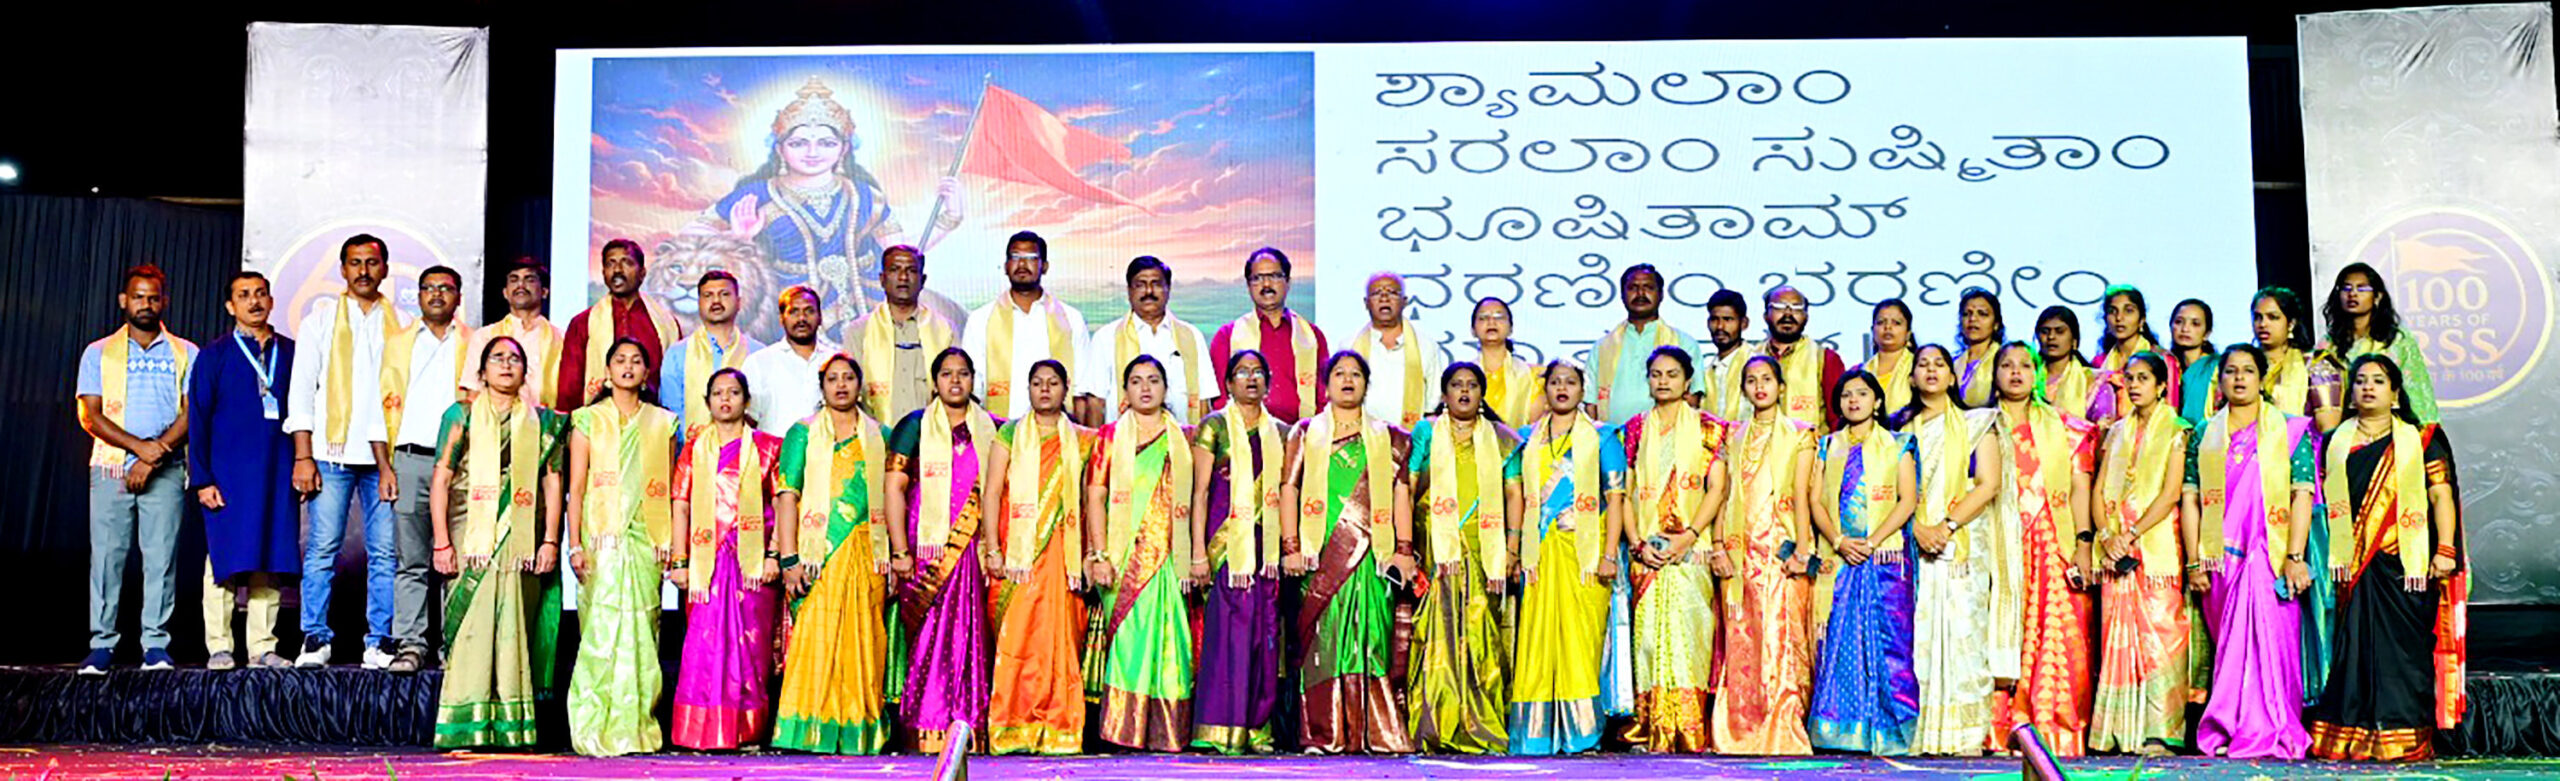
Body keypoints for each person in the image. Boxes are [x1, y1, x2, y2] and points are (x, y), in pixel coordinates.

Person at [692, 76, 963, 326]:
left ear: (843, 148)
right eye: (798, 143)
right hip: (787, 309)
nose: (813, 152)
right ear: (780, 149)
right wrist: (736, 238)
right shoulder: (758, 194)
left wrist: (949, 218)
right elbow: (691, 234)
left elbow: (900, 252)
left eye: (826, 143)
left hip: (862, 305)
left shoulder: (865, 195)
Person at [2306, 355, 2467, 761]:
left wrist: (2445, 549)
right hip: (2352, 565)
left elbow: (2440, 495)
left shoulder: (2423, 439)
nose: (2368, 387)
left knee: (2402, 654)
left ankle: (2402, 734)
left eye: (2378, 381)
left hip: (2405, 565)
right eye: (2360, 380)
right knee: (2354, 653)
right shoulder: (2335, 443)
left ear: (2395, 393)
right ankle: (2351, 735)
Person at [426, 336, 568, 749]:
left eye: (515, 359)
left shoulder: (543, 422)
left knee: (513, 622)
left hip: (522, 536)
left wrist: (550, 541)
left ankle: (510, 726)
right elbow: (442, 478)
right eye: (497, 358)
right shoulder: (461, 414)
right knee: (473, 620)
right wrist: (441, 542)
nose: (506, 365)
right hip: (468, 530)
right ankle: (464, 723)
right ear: (482, 371)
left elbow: (552, 483)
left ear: (525, 371)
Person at [1280, 351, 1418, 754]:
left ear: (1366, 385)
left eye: (1356, 374)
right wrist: (1291, 546)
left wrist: (1404, 551)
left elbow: (1401, 494)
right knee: (1322, 646)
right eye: (1339, 373)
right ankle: (1325, 733)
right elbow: (1289, 488)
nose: (1347, 380)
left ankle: (1375, 732)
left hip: (1374, 555)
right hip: (1319, 554)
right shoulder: (1305, 432)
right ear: (1326, 385)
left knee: (1372, 640)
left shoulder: (1391, 439)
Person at [2184, 345, 2318, 759]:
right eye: (2230, 371)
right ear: (2220, 380)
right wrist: (2194, 561)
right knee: (2232, 650)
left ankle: (2273, 728)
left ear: (2262, 379)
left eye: (2247, 371)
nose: (2239, 378)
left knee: (2271, 647)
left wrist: (2294, 556)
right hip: (2220, 561)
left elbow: (2301, 496)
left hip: (2270, 557)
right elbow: (2190, 499)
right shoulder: (2204, 434)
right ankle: (2230, 726)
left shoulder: (2290, 430)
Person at [284, 235, 402, 668]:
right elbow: (301, 391)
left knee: (385, 553)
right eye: (355, 263)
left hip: (384, 458)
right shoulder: (320, 321)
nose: (363, 271)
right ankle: (315, 637)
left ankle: (380, 640)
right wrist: (303, 456)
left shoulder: (403, 325)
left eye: (372, 262)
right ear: (343, 269)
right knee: (322, 549)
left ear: (385, 268)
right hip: (330, 452)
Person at [773, 352, 899, 755]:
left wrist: (897, 555)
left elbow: (893, 499)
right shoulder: (802, 433)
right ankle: (807, 730)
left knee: (864, 640)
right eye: (833, 379)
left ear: (860, 386)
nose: (841, 385)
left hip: (867, 552)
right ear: (822, 387)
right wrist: (788, 558)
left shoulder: (881, 436)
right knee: (816, 638)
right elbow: (787, 496)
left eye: (848, 378)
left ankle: (858, 728)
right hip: (817, 555)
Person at [77, 264, 197, 675]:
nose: (146, 304)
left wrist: (153, 454)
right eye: (138, 296)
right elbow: (91, 416)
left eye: (153, 297)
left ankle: (155, 645)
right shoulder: (97, 352)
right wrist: (137, 450)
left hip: (165, 468)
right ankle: (102, 645)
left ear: (164, 302)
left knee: (160, 559)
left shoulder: (186, 352)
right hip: (110, 468)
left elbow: (191, 414)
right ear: (123, 301)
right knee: (107, 558)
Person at [1506, 360, 1627, 756]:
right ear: (1545, 391)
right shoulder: (1526, 439)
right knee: (1536, 642)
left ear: (1582, 390)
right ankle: (1535, 735)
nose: (1562, 388)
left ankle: (1583, 733)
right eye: (1555, 382)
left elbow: (1616, 499)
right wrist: (1513, 550)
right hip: (1539, 553)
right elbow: (1517, 498)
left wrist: (1609, 554)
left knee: (1581, 643)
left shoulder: (1604, 438)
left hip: (1585, 554)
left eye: (1570, 382)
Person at [1082, 356, 1203, 752]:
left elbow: (1199, 500)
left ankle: (1167, 732)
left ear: (1166, 389)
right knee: (1130, 644)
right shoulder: (1109, 437)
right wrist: (1099, 555)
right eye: (1136, 381)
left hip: (1170, 559)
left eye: (1153, 380)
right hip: (1122, 560)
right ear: (1125, 390)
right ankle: (1124, 730)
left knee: (1172, 643)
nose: (1145, 388)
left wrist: (1196, 555)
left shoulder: (1185, 438)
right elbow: (1095, 496)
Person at [563, 338, 677, 756]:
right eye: (620, 360)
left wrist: (671, 543)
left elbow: (668, 487)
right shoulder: (587, 420)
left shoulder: (663, 423)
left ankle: (637, 726)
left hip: (646, 540)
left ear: (646, 374)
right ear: (607, 371)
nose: (628, 367)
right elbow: (577, 488)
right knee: (600, 629)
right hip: (601, 541)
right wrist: (574, 545)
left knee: (644, 630)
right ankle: (592, 724)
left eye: (636, 361)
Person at [887, 348, 1003, 754]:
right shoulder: (913, 426)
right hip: (926, 552)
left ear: (974, 380)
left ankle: (969, 725)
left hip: (974, 551)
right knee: (927, 639)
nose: (955, 381)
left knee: (972, 638)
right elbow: (894, 487)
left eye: (963, 373)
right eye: (947, 374)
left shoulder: (994, 429)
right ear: (934, 382)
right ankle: (925, 725)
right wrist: (899, 550)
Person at [1986, 341, 2099, 756]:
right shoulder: (1978, 426)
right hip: (1998, 542)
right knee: (2000, 628)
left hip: (2053, 541)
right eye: (2007, 365)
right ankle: (2000, 728)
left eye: (2024, 365)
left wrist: (2083, 543)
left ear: (2036, 374)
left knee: (2058, 635)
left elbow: (2080, 488)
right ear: (1994, 375)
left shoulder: (2065, 428)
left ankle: (2054, 727)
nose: (2016, 372)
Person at [1405, 362, 1524, 754]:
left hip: (1484, 550)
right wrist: (1405, 546)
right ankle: (1434, 724)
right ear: (1444, 394)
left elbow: (1513, 494)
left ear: (1482, 394)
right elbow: (1408, 487)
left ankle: (1480, 723)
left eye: (1472, 385)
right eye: (1456, 385)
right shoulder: (1425, 432)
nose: (1464, 391)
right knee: (1434, 635)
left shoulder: (1502, 440)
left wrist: (1511, 548)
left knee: (1480, 636)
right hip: (1435, 550)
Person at [667, 368, 786, 749]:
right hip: (707, 563)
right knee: (704, 646)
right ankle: (698, 731)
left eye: (733, 392)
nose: (725, 399)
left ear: (746, 401)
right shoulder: (694, 449)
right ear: (707, 402)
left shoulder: (769, 448)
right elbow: (681, 505)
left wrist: (774, 555)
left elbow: (782, 504)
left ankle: (746, 730)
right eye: (718, 393)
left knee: (750, 647)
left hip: (752, 564)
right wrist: (680, 560)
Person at [983, 359, 1095, 755]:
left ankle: (1060, 728)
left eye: (1052, 383)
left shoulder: (1084, 440)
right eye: (1037, 383)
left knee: (1059, 642)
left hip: (1063, 556)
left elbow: (1090, 502)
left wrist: (1090, 555)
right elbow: (992, 492)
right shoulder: (1010, 434)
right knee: (1016, 640)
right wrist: (992, 549)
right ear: (1028, 388)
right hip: (1017, 554)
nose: (1045, 389)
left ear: (1066, 389)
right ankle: (1012, 726)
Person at [1620, 348, 1728, 754]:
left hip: (1691, 551)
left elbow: (1717, 489)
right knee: (1648, 642)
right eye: (1656, 374)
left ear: (1687, 381)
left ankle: (1689, 729)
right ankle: (1650, 728)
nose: (1663, 381)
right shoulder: (1634, 429)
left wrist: (1690, 534)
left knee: (1690, 640)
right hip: (1647, 552)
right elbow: (1624, 491)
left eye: (1672, 374)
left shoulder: (1710, 429)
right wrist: (1636, 543)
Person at [189, 271, 298, 671]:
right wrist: (202, 478)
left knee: (269, 557)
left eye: (261, 294)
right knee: (223, 559)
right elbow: (197, 419)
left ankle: (262, 647)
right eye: (244, 295)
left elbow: (306, 412)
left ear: (271, 301)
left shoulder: (291, 353)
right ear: (230, 305)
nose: (254, 301)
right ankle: (219, 645)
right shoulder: (214, 355)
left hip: (277, 473)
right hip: (228, 477)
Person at [1809, 371, 1922, 755]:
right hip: (1840, 559)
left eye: (1862, 393)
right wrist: (1839, 541)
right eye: (1846, 395)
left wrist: (1872, 542)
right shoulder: (1827, 446)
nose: (1853, 400)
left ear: (1877, 401)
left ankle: (1892, 732)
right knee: (1840, 642)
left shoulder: (1898, 444)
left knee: (1890, 644)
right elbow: (1815, 501)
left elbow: (1907, 501)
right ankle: (1840, 730)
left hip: (1885, 560)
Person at [1710, 355, 1818, 755]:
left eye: (1767, 379)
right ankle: (1742, 731)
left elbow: (1803, 495)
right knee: (1742, 642)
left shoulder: (1801, 434)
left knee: (1780, 639)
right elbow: (1722, 495)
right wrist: (1717, 544)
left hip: (1779, 549)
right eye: (1752, 380)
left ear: (1781, 387)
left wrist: (1803, 548)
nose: (1760, 387)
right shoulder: (1732, 437)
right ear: (1743, 389)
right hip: (1740, 554)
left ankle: (1782, 728)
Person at [2087, 352, 2193, 756]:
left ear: (2162, 386)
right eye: (2129, 378)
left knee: (2163, 633)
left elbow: (2170, 494)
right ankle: (2117, 731)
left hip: (2155, 545)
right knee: (2117, 635)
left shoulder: (2178, 431)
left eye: (2144, 378)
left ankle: (2161, 732)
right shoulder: (2116, 432)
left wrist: (2131, 534)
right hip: (2116, 549)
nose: (2134, 386)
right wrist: (2107, 535)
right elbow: (2099, 489)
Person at [1902, 344, 2004, 755]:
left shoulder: (1978, 423)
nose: (1931, 370)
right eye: (1922, 365)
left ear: (1952, 376)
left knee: (1964, 634)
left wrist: (1945, 527)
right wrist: (1917, 529)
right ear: (1911, 378)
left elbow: (1989, 484)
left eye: (1939, 364)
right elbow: (1889, 489)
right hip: (1913, 543)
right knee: (1916, 637)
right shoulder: (1897, 430)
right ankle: (1918, 732)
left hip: (1961, 543)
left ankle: (1964, 735)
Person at [1189, 351, 1290, 754]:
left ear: (1268, 382)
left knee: (1264, 638)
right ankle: (1219, 728)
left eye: (1258, 372)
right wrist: (1198, 553)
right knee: (1227, 637)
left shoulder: (1282, 432)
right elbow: (1199, 493)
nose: (1251, 379)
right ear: (1228, 383)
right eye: (1242, 372)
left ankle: (1256, 728)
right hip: (1225, 550)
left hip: (1266, 552)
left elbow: (1288, 493)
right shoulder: (1214, 426)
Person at [383, 265, 475, 673]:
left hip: (463, 464)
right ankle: (411, 644)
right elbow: (378, 405)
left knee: (458, 558)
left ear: (458, 297)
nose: (437, 294)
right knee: (412, 560)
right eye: (428, 288)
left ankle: (454, 643)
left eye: (446, 288)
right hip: (410, 460)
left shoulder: (475, 343)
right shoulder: (399, 343)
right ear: (418, 296)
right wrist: (385, 466)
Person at [963, 231, 1092, 420]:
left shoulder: (1071, 319)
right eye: (1015, 257)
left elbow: (1081, 390)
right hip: (998, 429)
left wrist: (1078, 433)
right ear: (1006, 266)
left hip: (1057, 431)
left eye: (1031, 257)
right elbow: (972, 389)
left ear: (1045, 266)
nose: (1022, 264)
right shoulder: (980, 320)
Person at [1081, 256, 1212, 425]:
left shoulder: (1191, 337)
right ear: (1129, 291)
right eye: (1140, 285)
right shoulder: (1106, 337)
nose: (1149, 291)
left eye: (1156, 284)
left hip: (1181, 438)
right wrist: (1097, 441)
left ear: (1168, 288)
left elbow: (1203, 401)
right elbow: (1095, 402)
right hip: (1123, 440)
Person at [559, 238, 682, 413]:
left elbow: (675, 384)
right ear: (603, 273)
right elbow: (568, 389)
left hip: (652, 420)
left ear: (642, 273)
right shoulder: (582, 323)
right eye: (611, 264)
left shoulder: (666, 324)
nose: (617, 270)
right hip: (597, 421)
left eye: (627, 263)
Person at [845, 245, 957, 427]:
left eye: (911, 270)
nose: (903, 277)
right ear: (882, 279)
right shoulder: (859, 331)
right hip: (875, 436)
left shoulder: (944, 330)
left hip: (933, 435)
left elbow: (956, 389)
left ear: (923, 280)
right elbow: (850, 392)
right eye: (895, 270)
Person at [2314, 263, 2439, 424]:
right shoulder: (2328, 345)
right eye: (2346, 288)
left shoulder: (2396, 342)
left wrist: (2423, 431)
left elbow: (2418, 391)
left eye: (2361, 288)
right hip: (2344, 429)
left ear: (2377, 297)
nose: (2352, 294)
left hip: (2392, 428)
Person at [1589, 265, 1701, 426]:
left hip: (1666, 434)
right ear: (1621, 295)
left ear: (1661, 294)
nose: (1640, 293)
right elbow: (1591, 403)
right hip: (1612, 437)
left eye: (1648, 287)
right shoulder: (1602, 347)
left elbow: (1693, 400)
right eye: (1633, 288)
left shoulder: (1684, 343)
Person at [661, 270, 762, 441]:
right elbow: (671, 414)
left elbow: (761, 411)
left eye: (724, 294)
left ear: (739, 302)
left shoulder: (758, 353)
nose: (716, 301)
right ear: (699, 303)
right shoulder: (677, 354)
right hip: (691, 451)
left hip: (748, 452)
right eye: (708, 295)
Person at [1349, 273, 1445, 429]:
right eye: (1377, 293)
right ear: (1366, 303)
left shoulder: (1426, 346)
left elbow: (1434, 401)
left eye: (1392, 292)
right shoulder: (1349, 346)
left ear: (1405, 301)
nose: (1384, 298)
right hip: (1361, 436)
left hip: (1411, 437)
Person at [744, 285, 840, 436]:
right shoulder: (758, 363)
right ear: (781, 318)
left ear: (820, 317)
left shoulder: (835, 361)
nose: (802, 318)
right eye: (794, 311)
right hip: (776, 450)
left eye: (809, 311)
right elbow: (748, 421)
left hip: (828, 449)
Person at [474, 257, 565, 408]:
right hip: (495, 420)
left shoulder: (562, 339)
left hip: (546, 420)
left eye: (529, 280)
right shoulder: (484, 336)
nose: (521, 285)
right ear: (505, 293)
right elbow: (473, 391)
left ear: (544, 292)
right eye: (514, 280)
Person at [1757, 286, 1846, 431]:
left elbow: (1838, 418)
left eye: (1796, 308)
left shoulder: (1824, 358)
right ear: (1766, 315)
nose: (1788, 314)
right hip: (1757, 443)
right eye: (1779, 307)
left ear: (1806, 317)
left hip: (1810, 444)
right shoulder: (1750, 357)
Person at [2254, 287, 2335, 430]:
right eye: (2258, 317)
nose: (2263, 324)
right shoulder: (2243, 366)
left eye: (2273, 317)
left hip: (2300, 443)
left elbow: (2327, 428)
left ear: (2291, 323)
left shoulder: (2315, 365)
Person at [2092, 285, 2168, 430]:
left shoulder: (2162, 358)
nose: (2119, 318)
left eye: (2128, 311)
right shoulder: (2099, 363)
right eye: (2112, 311)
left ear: (2142, 320)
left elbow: (2171, 408)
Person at [1467, 298, 1542, 427]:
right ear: (1473, 330)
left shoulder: (1533, 376)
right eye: (1483, 318)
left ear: (1510, 328)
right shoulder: (1463, 376)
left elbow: (1536, 427)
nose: (1491, 322)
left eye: (1499, 317)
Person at [2036, 306, 2100, 424]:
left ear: (2074, 341)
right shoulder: (2029, 379)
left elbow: (2101, 428)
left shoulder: (2093, 381)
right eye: (2045, 331)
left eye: (2059, 331)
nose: (2051, 337)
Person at [1701, 289, 1753, 421]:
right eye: (1714, 319)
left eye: (1728, 319)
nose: (1720, 326)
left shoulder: (1756, 364)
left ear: (1744, 323)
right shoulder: (1706, 372)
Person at [1856, 299, 1917, 412]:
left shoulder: (1918, 369)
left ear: (1908, 333)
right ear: (1872, 331)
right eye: (1881, 322)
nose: (1888, 327)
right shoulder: (1860, 371)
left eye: (1896, 323)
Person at [1951, 288, 2006, 409]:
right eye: (1966, 314)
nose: (1972, 319)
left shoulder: (2004, 360)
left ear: (1996, 324)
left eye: (1982, 314)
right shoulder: (1952, 362)